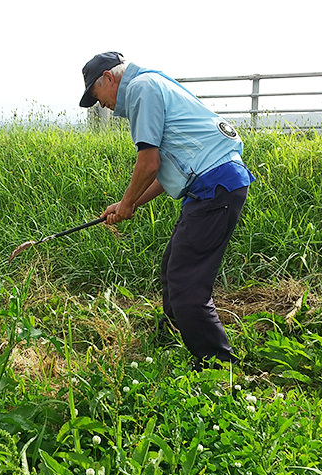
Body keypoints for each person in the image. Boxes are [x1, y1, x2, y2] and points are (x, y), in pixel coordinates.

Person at [79, 52, 255, 370]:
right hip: (212, 185)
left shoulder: (141, 90)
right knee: (172, 266)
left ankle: (219, 367)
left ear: (108, 77)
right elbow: (165, 174)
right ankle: (173, 336)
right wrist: (126, 204)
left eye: (96, 95)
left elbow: (149, 163)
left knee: (187, 285)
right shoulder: (150, 84)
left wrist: (127, 203)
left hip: (215, 187)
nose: (100, 104)